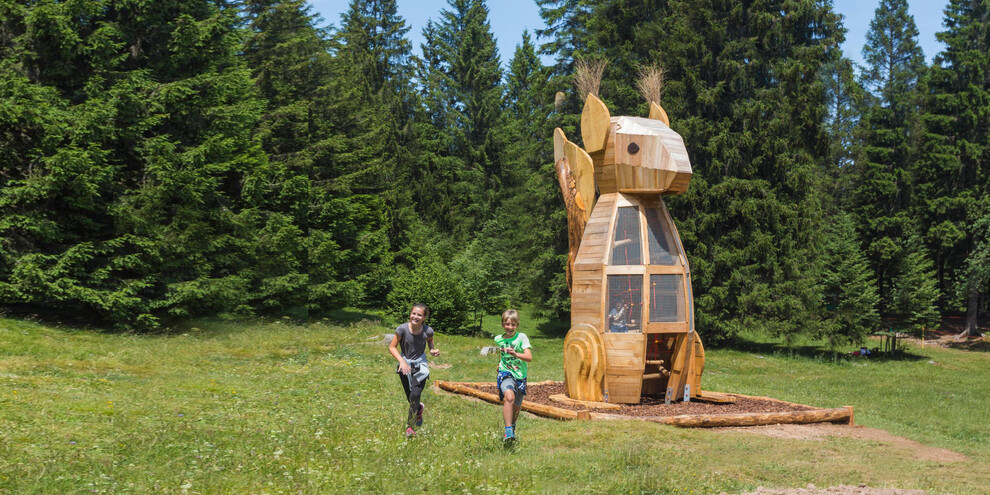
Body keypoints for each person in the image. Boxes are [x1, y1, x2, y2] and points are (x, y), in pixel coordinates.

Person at [388, 303, 440, 437]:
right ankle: (418, 408)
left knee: (415, 395)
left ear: (424, 317)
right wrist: (402, 362)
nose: (415, 317)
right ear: (410, 314)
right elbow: (392, 347)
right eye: (413, 313)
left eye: (419, 315)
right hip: (404, 364)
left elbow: (430, 340)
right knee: (410, 397)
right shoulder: (402, 329)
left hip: (420, 365)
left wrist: (432, 350)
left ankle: (410, 428)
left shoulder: (428, 330)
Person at [494, 309, 532, 442]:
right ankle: (508, 430)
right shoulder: (499, 339)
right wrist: (500, 364)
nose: (510, 327)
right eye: (507, 324)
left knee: (516, 407)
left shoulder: (521, 338)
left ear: (517, 325)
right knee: (509, 397)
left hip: (520, 376)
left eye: (513, 325)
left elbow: (529, 357)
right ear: (502, 324)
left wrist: (516, 354)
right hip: (505, 373)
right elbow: (503, 355)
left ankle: (512, 427)